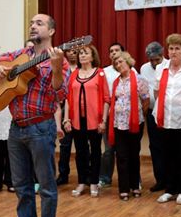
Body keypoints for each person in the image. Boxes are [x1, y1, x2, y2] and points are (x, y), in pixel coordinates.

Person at [0, 14, 68, 217]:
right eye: (32, 22)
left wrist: (57, 69)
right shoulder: (18, 56)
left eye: (39, 23)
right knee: (20, 182)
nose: (33, 25)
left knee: (46, 183)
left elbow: (59, 95)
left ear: (51, 31)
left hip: (42, 127)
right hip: (16, 126)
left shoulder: (59, 58)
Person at [154, 33, 181, 205]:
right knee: (167, 155)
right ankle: (170, 189)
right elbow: (157, 92)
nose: (173, 52)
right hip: (165, 119)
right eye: (171, 48)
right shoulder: (161, 69)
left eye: (177, 49)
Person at [63, 45, 109, 198]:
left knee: (95, 152)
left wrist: (103, 121)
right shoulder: (74, 74)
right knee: (80, 152)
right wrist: (66, 119)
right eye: (80, 53)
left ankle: (94, 182)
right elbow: (68, 99)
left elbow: (106, 99)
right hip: (77, 120)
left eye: (85, 53)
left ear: (92, 56)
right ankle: (82, 181)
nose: (81, 55)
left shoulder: (100, 73)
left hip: (94, 121)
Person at [108, 52, 150, 200]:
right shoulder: (115, 82)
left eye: (120, 62)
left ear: (128, 61)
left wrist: (138, 115)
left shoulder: (139, 80)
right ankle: (124, 188)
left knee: (133, 156)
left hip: (134, 124)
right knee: (121, 157)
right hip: (118, 124)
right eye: (116, 64)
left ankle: (135, 186)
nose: (119, 65)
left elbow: (146, 100)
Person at [140, 41, 165, 192]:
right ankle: (160, 180)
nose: (154, 63)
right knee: (154, 147)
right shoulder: (144, 68)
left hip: (167, 113)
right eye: (152, 60)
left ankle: (172, 180)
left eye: (157, 59)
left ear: (163, 56)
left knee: (168, 147)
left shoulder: (169, 65)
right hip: (151, 112)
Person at [99, 42, 125, 188]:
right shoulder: (104, 71)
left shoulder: (130, 70)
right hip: (108, 115)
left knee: (126, 149)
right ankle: (105, 177)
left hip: (124, 116)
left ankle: (133, 180)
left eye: (117, 50)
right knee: (108, 149)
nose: (114, 53)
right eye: (111, 51)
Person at [56, 47, 79, 185]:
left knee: (81, 145)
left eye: (75, 51)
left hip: (78, 109)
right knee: (64, 145)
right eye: (69, 51)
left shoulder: (83, 69)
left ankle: (84, 176)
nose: (72, 53)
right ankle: (63, 174)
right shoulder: (62, 68)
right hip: (63, 107)